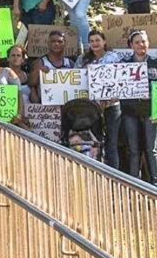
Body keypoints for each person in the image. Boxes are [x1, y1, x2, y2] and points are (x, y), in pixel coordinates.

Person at [75, 30, 121, 168]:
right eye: (92, 41)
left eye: (97, 40)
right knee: (94, 142)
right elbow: (75, 80)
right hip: (91, 107)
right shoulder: (82, 60)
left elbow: (121, 80)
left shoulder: (114, 57)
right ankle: (96, 173)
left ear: (104, 41)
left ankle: (114, 176)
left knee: (111, 142)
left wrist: (111, 98)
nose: (95, 43)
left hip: (113, 106)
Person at [121, 30, 157, 184]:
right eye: (137, 42)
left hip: (151, 111)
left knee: (152, 150)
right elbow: (117, 86)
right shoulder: (123, 65)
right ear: (131, 45)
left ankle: (155, 183)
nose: (141, 45)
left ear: (148, 43)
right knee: (134, 150)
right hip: (130, 111)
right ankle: (134, 183)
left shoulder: (155, 63)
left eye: (144, 41)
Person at [29, 30, 75, 103]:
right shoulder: (40, 62)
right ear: (48, 43)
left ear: (65, 43)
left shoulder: (70, 63)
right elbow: (31, 83)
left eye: (59, 42)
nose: (56, 44)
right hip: (47, 106)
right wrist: (38, 71)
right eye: (53, 41)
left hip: (67, 104)